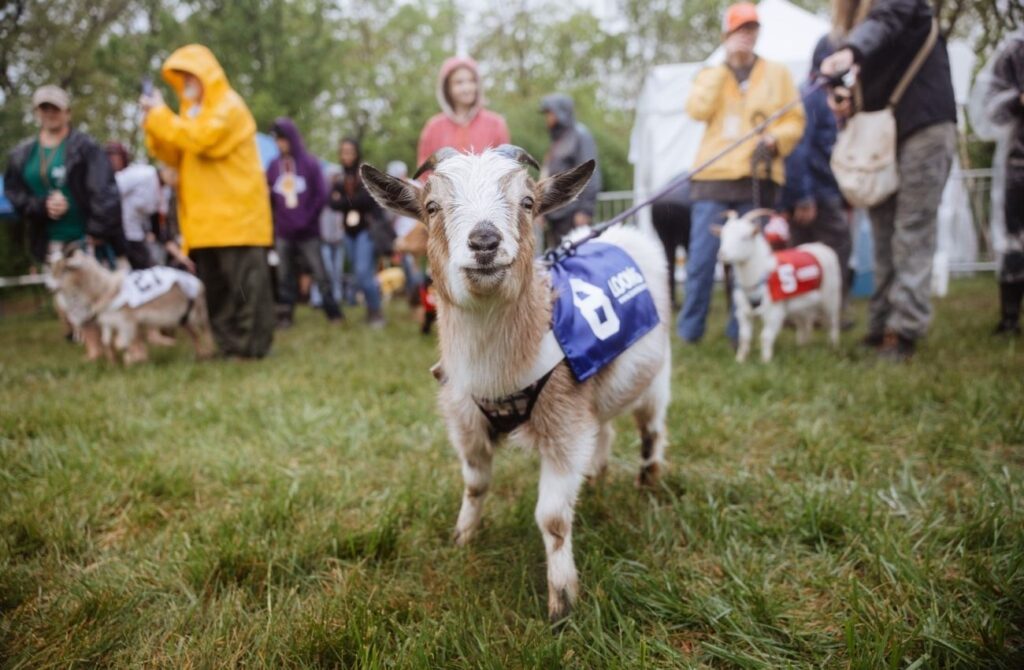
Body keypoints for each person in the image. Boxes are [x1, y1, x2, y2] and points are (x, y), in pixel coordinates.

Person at [821, 0, 957, 361]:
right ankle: (880, 323)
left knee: (912, 228)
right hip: (880, 132)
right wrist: (844, 96)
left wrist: (850, 51)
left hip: (924, 124)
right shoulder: (852, 27)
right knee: (881, 231)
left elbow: (886, 20)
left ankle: (904, 329)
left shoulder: (887, 12)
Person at [677, 3, 805, 344]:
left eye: (751, 30)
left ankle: (741, 331)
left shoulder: (777, 74)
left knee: (750, 260)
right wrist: (723, 68)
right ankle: (690, 333)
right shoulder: (710, 73)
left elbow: (794, 120)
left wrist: (776, 139)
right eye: (739, 30)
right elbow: (697, 109)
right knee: (702, 260)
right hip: (712, 178)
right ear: (727, 35)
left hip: (757, 177)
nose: (746, 36)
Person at [140, 44, 275, 359]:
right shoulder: (189, 115)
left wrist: (162, 117)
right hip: (203, 224)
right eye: (181, 75)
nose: (186, 80)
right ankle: (228, 346)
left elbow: (201, 139)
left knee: (246, 290)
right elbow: (171, 152)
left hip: (238, 220)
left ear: (207, 75)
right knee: (217, 291)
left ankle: (252, 348)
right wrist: (152, 124)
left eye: (191, 74)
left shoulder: (229, 107)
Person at [4, 84, 127, 359]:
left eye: (55, 108)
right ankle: (93, 347)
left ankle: (120, 341)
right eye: (44, 108)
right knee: (71, 295)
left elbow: (104, 190)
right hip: (51, 238)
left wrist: (97, 229)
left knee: (102, 289)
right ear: (37, 112)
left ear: (67, 112)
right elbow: (15, 195)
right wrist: (41, 206)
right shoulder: (22, 154)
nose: (50, 113)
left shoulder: (85, 147)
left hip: (85, 235)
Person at [780, 36, 853, 315]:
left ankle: (800, 313)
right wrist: (803, 197)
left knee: (801, 254)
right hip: (817, 193)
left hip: (813, 190)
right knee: (835, 251)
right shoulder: (812, 95)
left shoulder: (817, 94)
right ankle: (833, 311)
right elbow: (799, 149)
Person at [266, 117, 342, 328]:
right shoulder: (273, 166)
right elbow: (270, 197)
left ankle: (332, 312)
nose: (280, 144)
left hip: (309, 232)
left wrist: (306, 219)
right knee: (285, 274)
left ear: (292, 139)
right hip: (284, 231)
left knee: (320, 272)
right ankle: (285, 315)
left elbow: (321, 194)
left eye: (283, 139)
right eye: (277, 140)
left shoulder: (309, 163)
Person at [976, 30, 1024, 336]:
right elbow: (987, 106)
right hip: (1018, 164)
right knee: (1013, 240)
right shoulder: (1015, 50)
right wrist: (1018, 100)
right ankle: (1010, 319)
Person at [329, 138, 385, 328]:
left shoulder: (364, 175)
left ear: (356, 152)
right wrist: (351, 200)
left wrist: (345, 200)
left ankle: (376, 312)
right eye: (343, 151)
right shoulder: (339, 178)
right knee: (358, 273)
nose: (347, 155)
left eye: (350, 151)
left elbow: (368, 200)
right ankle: (371, 309)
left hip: (365, 231)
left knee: (363, 273)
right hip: (348, 233)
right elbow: (332, 203)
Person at [417, 56, 510, 169]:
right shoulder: (433, 127)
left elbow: (505, 167)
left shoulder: (495, 124)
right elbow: (424, 172)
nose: (467, 88)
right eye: (459, 82)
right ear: (447, 88)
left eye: (471, 81)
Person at [539, 94, 603, 246]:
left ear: (561, 112)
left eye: (550, 113)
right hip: (556, 216)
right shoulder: (558, 140)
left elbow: (591, 174)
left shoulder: (580, 136)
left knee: (576, 259)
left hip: (572, 214)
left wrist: (585, 210)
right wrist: (542, 210)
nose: (547, 117)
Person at [105, 141, 160, 270]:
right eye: (109, 157)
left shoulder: (131, 175)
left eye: (115, 157)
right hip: (114, 235)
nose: (112, 161)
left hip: (133, 235)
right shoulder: (105, 179)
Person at [649, 178, 692, 310]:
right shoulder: (694, 178)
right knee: (691, 255)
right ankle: (691, 300)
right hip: (682, 208)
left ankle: (670, 300)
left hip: (658, 206)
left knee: (668, 256)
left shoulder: (675, 179)